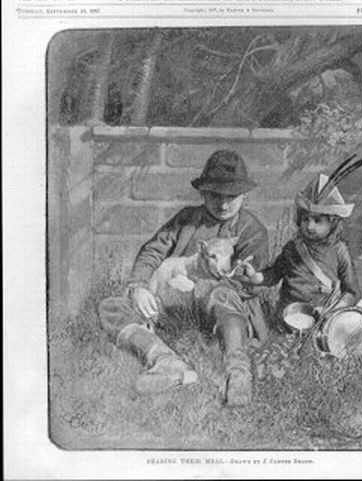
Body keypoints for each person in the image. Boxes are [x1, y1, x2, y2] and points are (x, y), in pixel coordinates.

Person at [98, 150, 269, 406]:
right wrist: (139, 286)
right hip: (173, 303)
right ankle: (166, 361)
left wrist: (197, 288)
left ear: (244, 195)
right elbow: (154, 250)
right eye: (215, 195)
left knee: (222, 294)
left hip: (220, 309)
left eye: (231, 197)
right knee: (112, 307)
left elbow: (247, 286)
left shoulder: (251, 229)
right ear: (203, 193)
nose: (223, 205)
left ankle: (237, 372)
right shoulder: (187, 219)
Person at [239, 156, 362, 324]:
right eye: (306, 219)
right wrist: (257, 277)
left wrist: (334, 308)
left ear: (333, 223)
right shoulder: (293, 248)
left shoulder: (339, 250)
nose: (310, 226)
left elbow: (352, 292)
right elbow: (275, 272)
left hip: (325, 318)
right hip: (289, 316)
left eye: (318, 220)